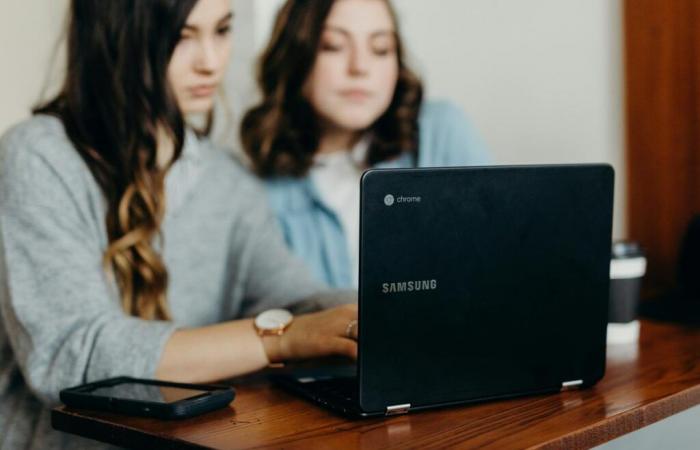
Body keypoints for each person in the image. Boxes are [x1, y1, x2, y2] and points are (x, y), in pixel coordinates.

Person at [0, 1, 357, 448]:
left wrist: (380, 311)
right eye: (183, 36)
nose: (211, 60)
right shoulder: (38, 156)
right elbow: (72, 355)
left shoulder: (228, 181)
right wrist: (279, 340)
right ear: (117, 37)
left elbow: (301, 301)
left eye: (222, 30)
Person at [241, 0, 492, 289]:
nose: (360, 67)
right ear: (294, 56)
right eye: (333, 46)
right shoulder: (255, 189)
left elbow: (497, 262)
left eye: (381, 49)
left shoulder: (441, 131)